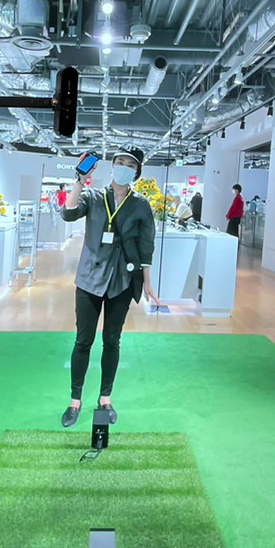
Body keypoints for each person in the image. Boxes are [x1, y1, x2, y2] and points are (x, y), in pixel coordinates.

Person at [59, 148, 158, 426]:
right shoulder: (93, 197)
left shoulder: (141, 205)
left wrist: (148, 283)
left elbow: (146, 245)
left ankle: (105, 398)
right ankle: (75, 400)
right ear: (112, 166)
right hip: (89, 280)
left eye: (130, 165)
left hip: (121, 281)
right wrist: (80, 180)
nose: (124, 167)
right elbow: (68, 213)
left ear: (136, 173)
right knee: (83, 341)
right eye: (119, 162)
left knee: (112, 341)